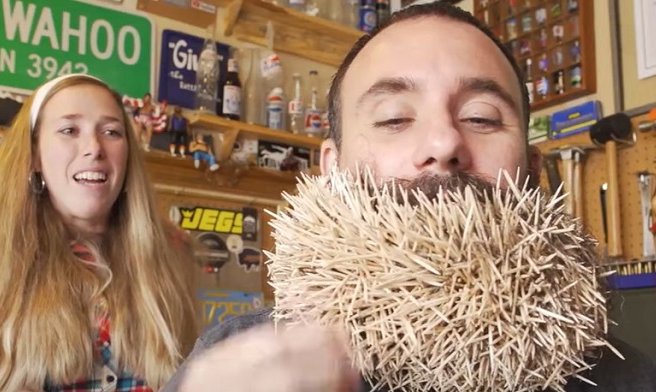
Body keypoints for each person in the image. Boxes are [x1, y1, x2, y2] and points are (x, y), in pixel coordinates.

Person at [160, 3, 656, 392]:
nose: (443, 144)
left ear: (530, 169)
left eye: (481, 117)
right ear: (333, 170)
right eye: (395, 118)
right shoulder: (233, 362)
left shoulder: (627, 379)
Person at [0, 74, 198, 391]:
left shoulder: (173, 251)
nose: (94, 148)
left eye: (111, 132)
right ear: (34, 156)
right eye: (69, 130)